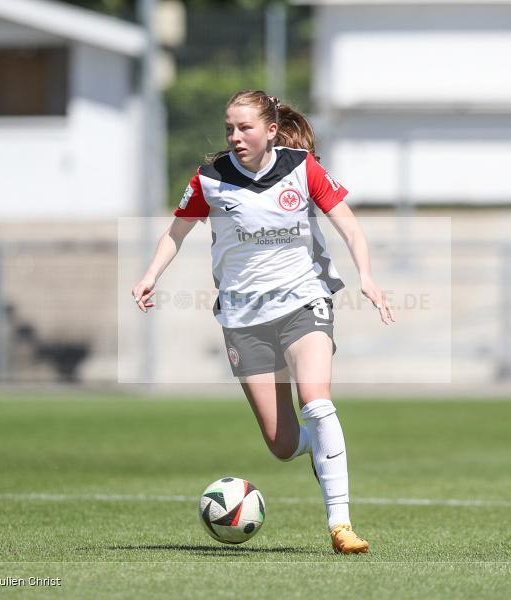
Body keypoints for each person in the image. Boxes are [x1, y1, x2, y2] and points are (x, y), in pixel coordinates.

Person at [131, 90, 394, 554]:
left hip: (303, 302)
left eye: (245, 127)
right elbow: (176, 232)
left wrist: (367, 276)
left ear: (271, 130)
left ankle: (341, 524)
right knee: (282, 443)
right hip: (242, 317)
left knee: (317, 401)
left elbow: (349, 225)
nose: (234, 137)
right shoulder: (210, 178)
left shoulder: (302, 167)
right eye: (229, 128)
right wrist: (150, 274)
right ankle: (320, 446)